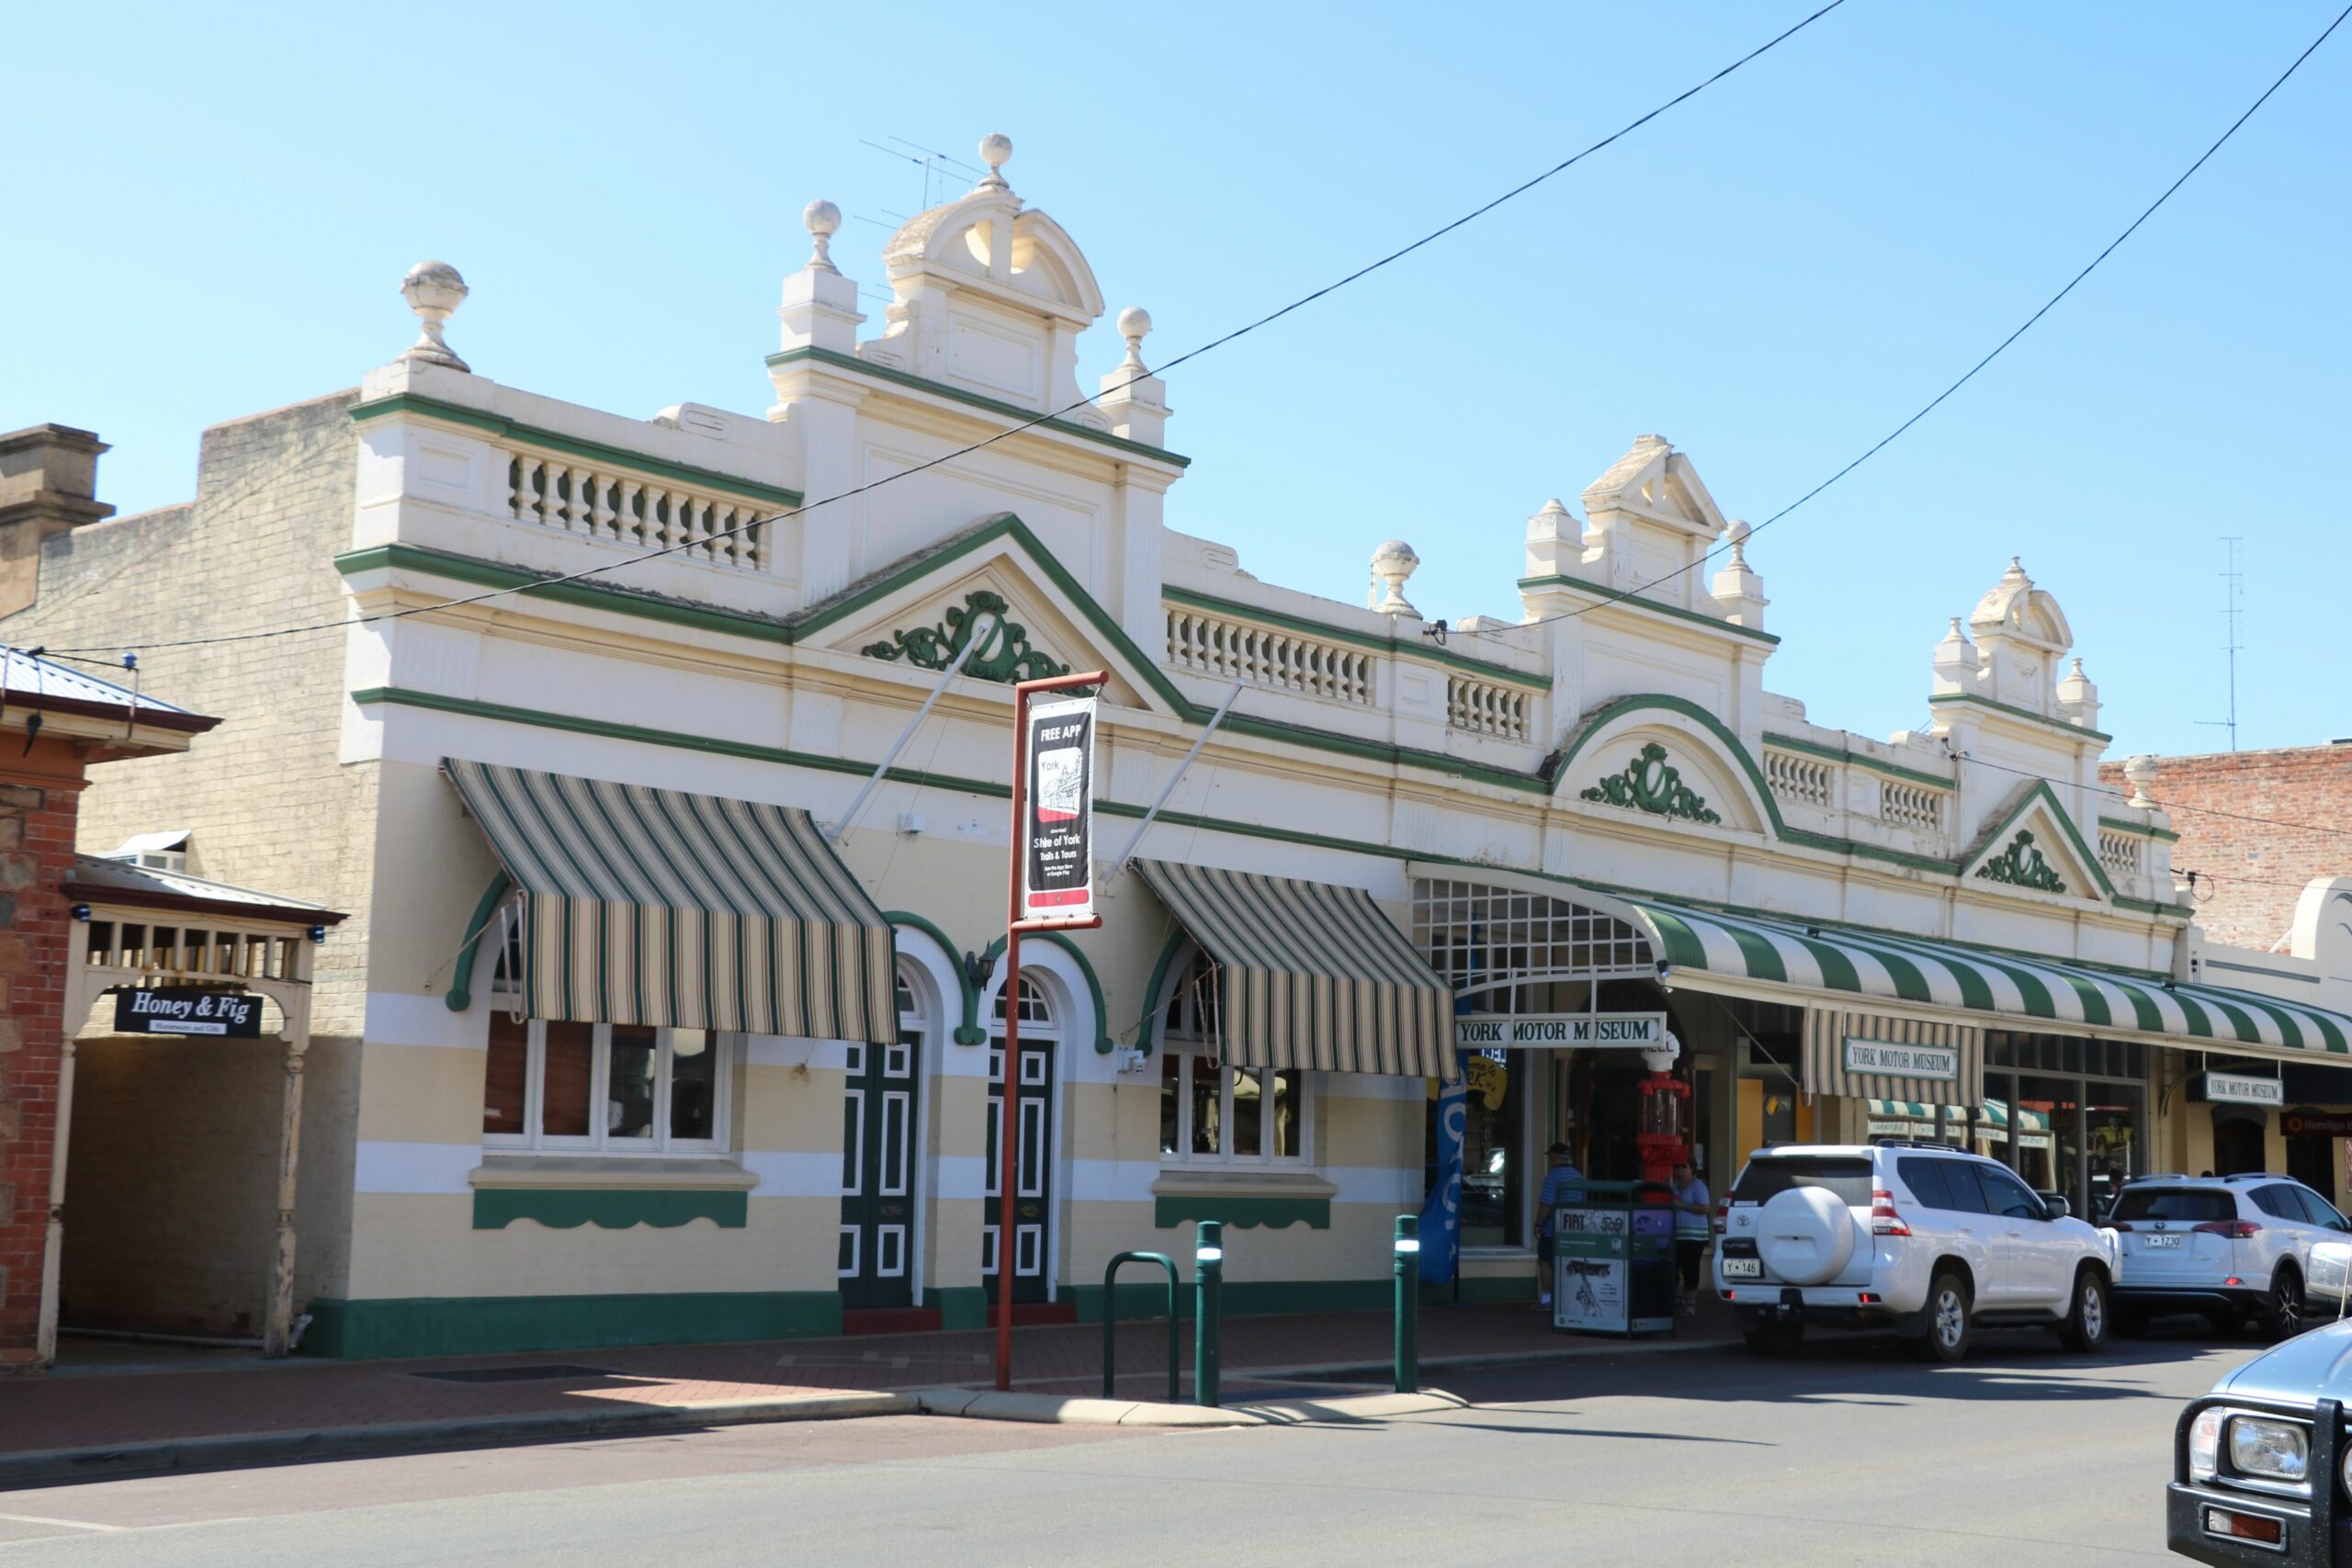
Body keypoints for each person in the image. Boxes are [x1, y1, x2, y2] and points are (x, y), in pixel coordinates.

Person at [1531, 1143, 1584, 1310]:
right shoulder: (1578, 1176)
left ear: (1555, 1157)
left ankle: (1547, 1300)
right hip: (1574, 1229)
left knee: (1545, 1262)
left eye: (1550, 1157)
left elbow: (1546, 1204)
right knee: (1569, 1263)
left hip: (1553, 1229)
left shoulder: (1553, 1177)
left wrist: (1538, 1224)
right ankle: (1568, 1300)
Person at [1669, 1158, 1712, 1317]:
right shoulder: (1674, 1186)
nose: (1680, 1169)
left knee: (1691, 1268)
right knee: (1674, 1267)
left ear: (1692, 1169)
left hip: (1694, 1236)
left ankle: (1691, 1302)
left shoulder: (1698, 1186)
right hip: (1676, 1234)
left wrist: (1683, 1206)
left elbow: (1705, 1208)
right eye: (1677, 1166)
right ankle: (1677, 1297)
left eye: (1684, 1166)